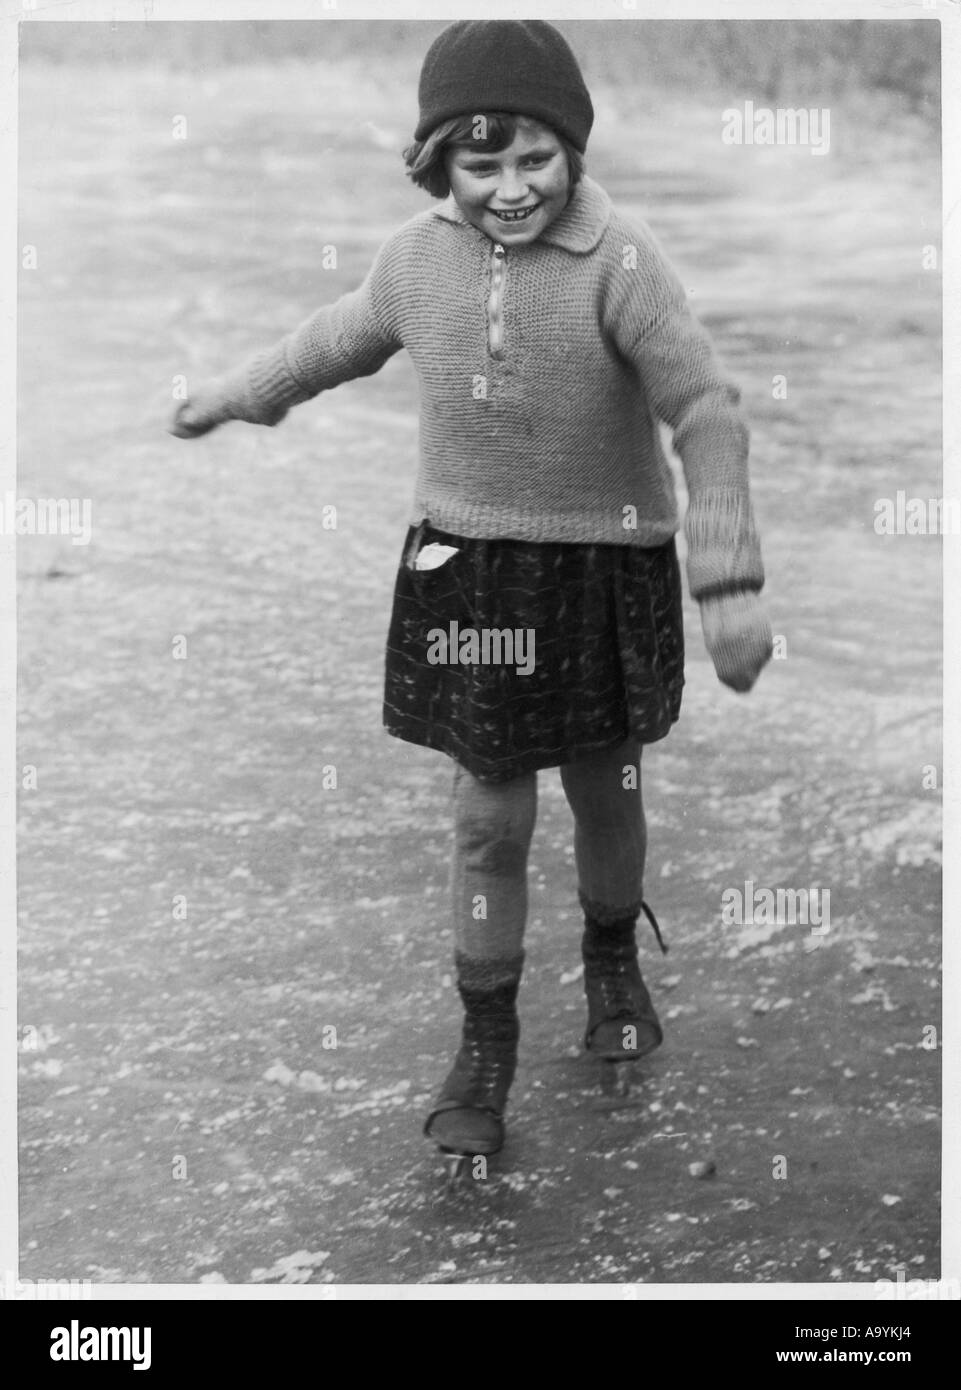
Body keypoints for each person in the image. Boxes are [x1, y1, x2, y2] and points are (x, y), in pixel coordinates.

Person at [168, 20, 773, 1166]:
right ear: (436, 163)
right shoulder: (413, 261)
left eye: (534, 158)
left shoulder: (622, 261)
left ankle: (607, 958)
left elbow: (706, 408)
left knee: (605, 789)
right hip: (472, 574)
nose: (509, 188)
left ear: (574, 150)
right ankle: (483, 1042)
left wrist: (728, 580)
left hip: (603, 567)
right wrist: (235, 393)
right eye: (479, 164)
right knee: (487, 817)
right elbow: (332, 341)